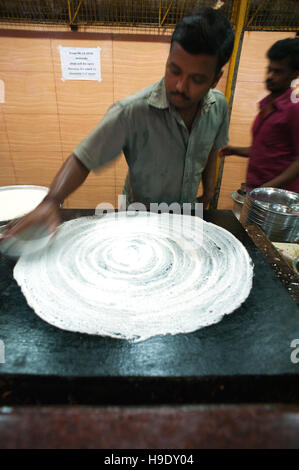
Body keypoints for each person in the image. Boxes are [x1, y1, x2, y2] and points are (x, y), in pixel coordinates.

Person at [1, 6, 234, 242]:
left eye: (197, 79)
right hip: (138, 223)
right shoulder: (132, 112)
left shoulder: (219, 107)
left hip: (185, 219)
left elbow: (212, 150)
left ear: (215, 79)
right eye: (174, 70)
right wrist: (51, 202)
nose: (180, 86)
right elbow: (83, 159)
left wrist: (209, 195)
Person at [220, 38, 299, 193]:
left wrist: (267, 188)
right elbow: (266, 150)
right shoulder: (265, 105)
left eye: (278, 72)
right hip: (257, 192)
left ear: (294, 74)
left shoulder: (294, 108)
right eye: (269, 69)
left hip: (279, 199)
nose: (270, 76)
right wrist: (234, 150)